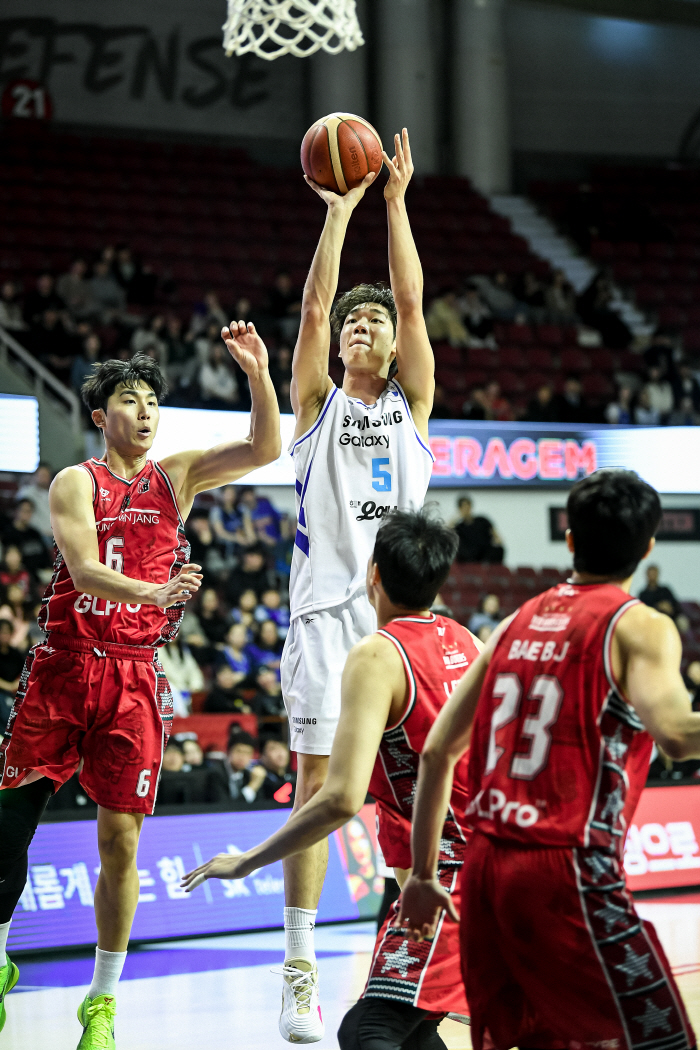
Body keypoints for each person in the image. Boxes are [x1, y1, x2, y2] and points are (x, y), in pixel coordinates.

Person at [0, 324, 280, 1046]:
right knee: (8, 833)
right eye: (132, 399)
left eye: (154, 400)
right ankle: (0, 957)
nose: (147, 411)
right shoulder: (75, 482)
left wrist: (257, 374)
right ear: (102, 415)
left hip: (131, 678)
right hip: (65, 667)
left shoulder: (177, 476)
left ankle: (100, 999)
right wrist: (155, 596)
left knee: (120, 844)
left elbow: (265, 448)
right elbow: (87, 571)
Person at [400, 469, 699, 1050]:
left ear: (569, 539)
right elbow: (679, 737)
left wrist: (421, 875)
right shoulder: (639, 624)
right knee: (662, 1038)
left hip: (486, 868)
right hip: (567, 867)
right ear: (648, 547)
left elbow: (437, 749)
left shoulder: (517, 619)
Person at [181, 510, 481, 1049]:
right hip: (480, 861)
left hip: (450, 874)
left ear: (372, 574)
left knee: (369, 1030)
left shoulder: (377, 653)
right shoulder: (467, 640)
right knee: (414, 1033)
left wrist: (248, 861)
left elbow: (341, 799)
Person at [271, 127, 435, 1042]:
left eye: (369, 323)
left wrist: (397, 204)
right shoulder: (315, 405)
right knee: (311, 788)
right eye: (350, 324)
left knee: (419, 796)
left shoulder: (412, 404)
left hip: (407, 622)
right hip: (328, 617)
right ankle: (298, 963)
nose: (359, 327)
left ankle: (406, 959)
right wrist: (337, 216)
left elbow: (411, 303)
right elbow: (312, 310)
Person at [1, 499, 52, 578]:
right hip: (21, 575)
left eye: (29, 511)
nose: (26, 514)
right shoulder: (8, 534)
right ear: (16, 511)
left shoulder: (35, 533)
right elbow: (10, 560)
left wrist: (49, 568)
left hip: (41, 573)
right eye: (24, 510)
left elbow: (46, 556)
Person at [453, 496, 504, 564]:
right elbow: (447, 531)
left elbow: (497, 537)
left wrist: (498, 541)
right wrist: (458, 516)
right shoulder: (459, 527)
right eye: (464, 507)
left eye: (468, 507)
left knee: (498, 550)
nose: (467, 510)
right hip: (469, 555)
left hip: (484, 552)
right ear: (460, 509)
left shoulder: (482, 520)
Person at [16, 462, 53, 544]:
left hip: (53, 534)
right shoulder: (26, 493)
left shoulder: (51, 494)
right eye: (42, 475)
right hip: (37, 535)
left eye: (46, 476)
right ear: (35, 476)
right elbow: (21, 512)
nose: (44, 478)